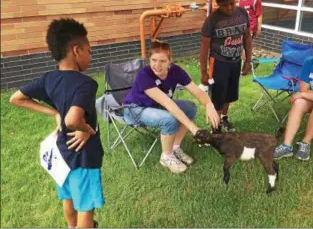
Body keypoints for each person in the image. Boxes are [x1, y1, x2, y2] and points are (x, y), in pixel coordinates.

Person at [9, 18, 103, 228]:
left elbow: (15, 98)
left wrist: (54, 112)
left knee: (67, 196)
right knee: (85, 206)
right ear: (76, 50)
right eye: (89, 50)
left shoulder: (49, 78)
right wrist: (87, 129)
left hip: (62, 152)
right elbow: (72, 120)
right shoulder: (87, 84)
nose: (90, 55)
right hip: (83, 155)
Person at [122, 40, 220, 174]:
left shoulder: (176, 71)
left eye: (162, 61)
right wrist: (194, 129)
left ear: (170, 61)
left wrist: (209, 104)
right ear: (149, 60)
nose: (157, 65)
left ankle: (175, 147)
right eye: (153, 60)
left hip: (154, 106)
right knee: (169, 119)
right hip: (134, 109)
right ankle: (166, 157)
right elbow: (168, 104)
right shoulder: (144, 75)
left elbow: (196, 91)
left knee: (190, 108)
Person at [200, 0, 252, 133]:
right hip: (218, 62)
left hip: (236, 61)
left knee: (229, 93)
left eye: (232, 3)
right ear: (217, 3)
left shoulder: (242, 13)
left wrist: (248, 60)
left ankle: (224, 119)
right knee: (218, 95)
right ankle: (215, 129)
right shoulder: (212, 20)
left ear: (236, 0)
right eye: (224, 5)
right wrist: (203, 71)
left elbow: (247, 37)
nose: (229, 8)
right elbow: (204, 47)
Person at [238, 0, 263, 76]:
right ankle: (252, 62)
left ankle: (246, 67)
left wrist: (258, 28)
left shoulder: (256, 0)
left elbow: (259, 15)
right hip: (240, 27)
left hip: (251, 28)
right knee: (239, 47)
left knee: (246, 48)